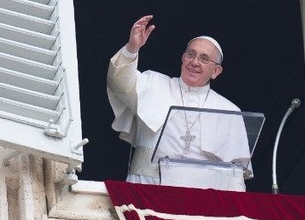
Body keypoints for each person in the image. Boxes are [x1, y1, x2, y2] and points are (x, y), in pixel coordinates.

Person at [107, 15, 252, 190]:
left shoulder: (229, 111)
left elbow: (235, 175)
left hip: (201, 200)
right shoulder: (154, 83)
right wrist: (131, 49)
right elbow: (120, 84)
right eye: (191, 54)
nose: (195, 62)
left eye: (204, 58)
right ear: (183, 58)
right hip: (148, 189)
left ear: (216, 71)